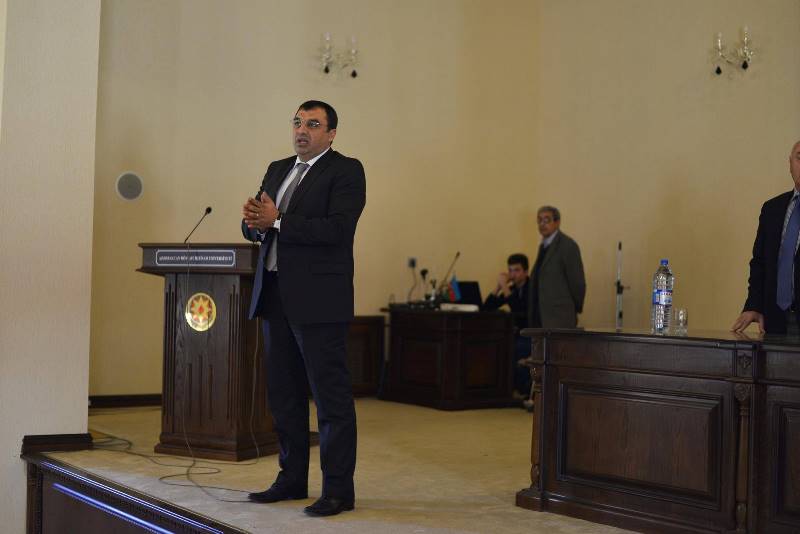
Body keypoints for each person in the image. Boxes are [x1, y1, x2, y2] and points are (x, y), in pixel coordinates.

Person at [241, 100, 366, 517]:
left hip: (319, 301)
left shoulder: (346, 171)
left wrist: (276, 220)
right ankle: (291, 478)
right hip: (275, 294)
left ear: (331, 134)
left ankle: (338, 491)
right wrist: (252, 222)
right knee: (284, 396)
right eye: (298, 122)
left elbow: (338, 230)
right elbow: (260, 224)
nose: (302, 130)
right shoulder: (278, 169)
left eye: (313, 124)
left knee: (330, 400)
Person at [732, 140, 800, 335]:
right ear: (790, 163)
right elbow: (760, 262)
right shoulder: (772, 209)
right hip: (776, 321)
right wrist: (754, 305)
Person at [483, 254, 532, 401]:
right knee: (496, 346)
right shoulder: (512, 289)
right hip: (516, 333)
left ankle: (519, 390)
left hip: (530, 334)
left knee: (514, 348)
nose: (512, 274)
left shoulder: (532, 288)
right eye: (510, 270)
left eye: (517, 270)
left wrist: (504, 286)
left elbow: (518, 308)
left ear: (526, 272)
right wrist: (498, 287)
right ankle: (501, 390)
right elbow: (486, 307)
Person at [528, 206, 586, 329]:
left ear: (557, 222)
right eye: (539, 220)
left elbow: (577, 282)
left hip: (559, 317)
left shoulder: (567, 246)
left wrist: (573, 308)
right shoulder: (543, 246)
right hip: (540, 316)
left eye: (546, 220)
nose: (542, 224)